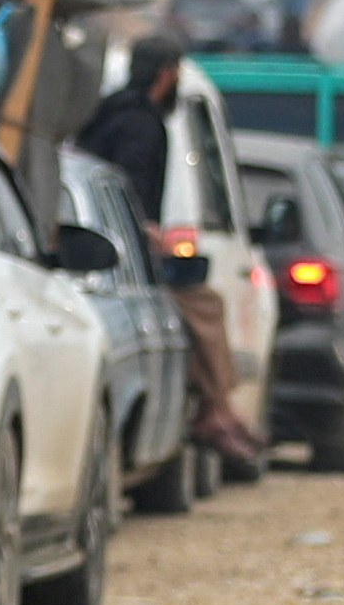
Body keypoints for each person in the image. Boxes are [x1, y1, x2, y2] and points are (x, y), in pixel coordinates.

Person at [72, 37, 263, 466]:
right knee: (204, 306)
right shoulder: (143, 125)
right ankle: (217, 410)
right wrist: (149, 231)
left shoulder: (111, 111)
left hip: (113, 248)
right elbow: (131, 187)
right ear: (166, 75)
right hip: (126, 258)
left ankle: (219, 409)